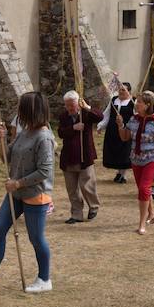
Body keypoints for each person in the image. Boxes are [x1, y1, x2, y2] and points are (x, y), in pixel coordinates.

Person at [0, 92, 54, 293]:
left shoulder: (44, 137)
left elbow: (45, 171)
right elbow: (6, 157)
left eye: (21, 108)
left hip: (35, 194)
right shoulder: (24, 133)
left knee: (36, 238)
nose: (18, 112)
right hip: (15, 195)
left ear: (30, 111)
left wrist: (18, 183)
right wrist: (1, 139)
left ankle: (44, 279)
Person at [117, 91, 154, 234]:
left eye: (139, 102)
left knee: (144, 189)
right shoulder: (134, 120)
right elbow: (125, 137)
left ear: (147, 105)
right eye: (136, 101)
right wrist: (120, 125)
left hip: (152, 159)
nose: (136, 104)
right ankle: (152, 213)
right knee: (142, 189)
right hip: (136, 159)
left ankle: (141, 224)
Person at [57, 91, 102, 224]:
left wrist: (87, 107)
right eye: (68, 105)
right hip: (68, 157)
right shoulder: (63, 116)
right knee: (72, 189)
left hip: (85, 157)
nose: (70, 108)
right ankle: (76, 214)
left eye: (72, 105)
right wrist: (73, 128)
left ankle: (93, 206)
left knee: (87, 185)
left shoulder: (86, 114)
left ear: (78, 103)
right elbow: (60, 133)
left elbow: (99, 116)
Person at [97, 82, 133, 182]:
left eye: (123, 90)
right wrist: (101, 125)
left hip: (126, 129)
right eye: (120, 89)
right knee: (115, 151)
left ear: (129, 91)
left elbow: (136, 116)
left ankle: (123, 175)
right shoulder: (113, 100)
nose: (121, 92)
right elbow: (107, 114)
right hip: (113, 130)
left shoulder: (132, 102)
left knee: (125, 151)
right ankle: (118, 172)